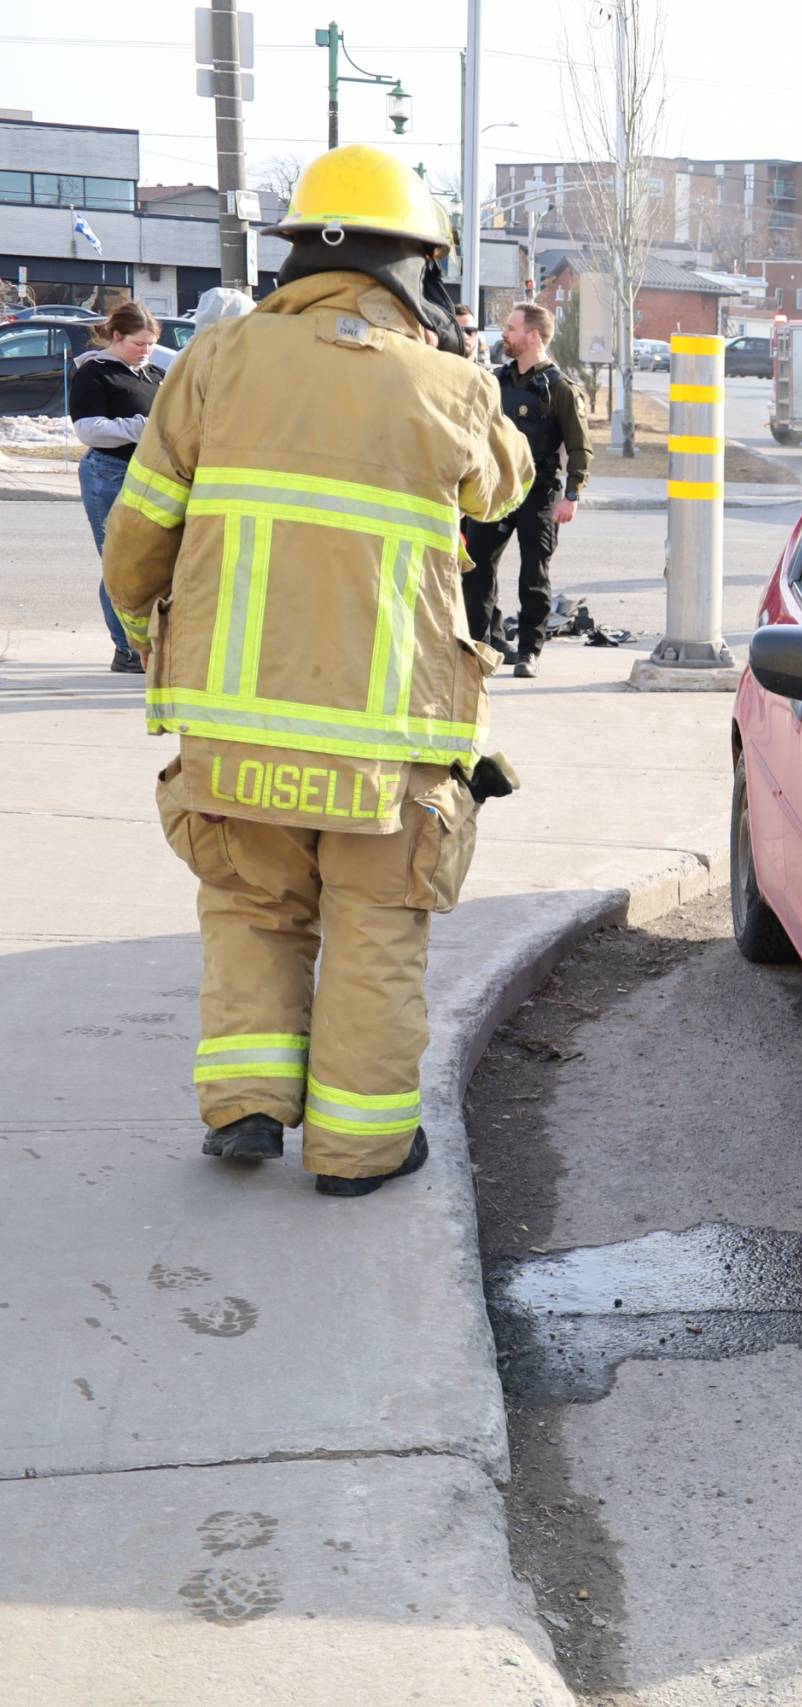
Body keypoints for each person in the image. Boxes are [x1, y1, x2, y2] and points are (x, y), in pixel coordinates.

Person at [101, 143, 535, 1195]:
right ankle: (358, 1150)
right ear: (413, 268)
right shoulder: (452, 385)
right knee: (375, 927)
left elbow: (135, 545)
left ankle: (246, 1106)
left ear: (300, 252)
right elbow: (502, 490)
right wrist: (454, 357)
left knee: (251, 906)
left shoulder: (215, 360)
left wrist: (143, 626)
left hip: (235, 724)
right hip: (385, 738)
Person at [461, 301, 587, 678]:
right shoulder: (495, 381)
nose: (504, 334)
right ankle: (478, 646)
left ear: (533, 336)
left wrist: (572, 495)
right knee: (477, 569)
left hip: (540, 492)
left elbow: (580, 447)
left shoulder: (559, 388)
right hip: (495, 490)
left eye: (512, 328)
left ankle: (530, 651)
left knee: (534, 574)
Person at [69, 302, 162, 673]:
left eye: (152, 344)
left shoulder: (154, 374)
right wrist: (142, 427)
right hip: (108, 472)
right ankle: (125, 649)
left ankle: (143, 645)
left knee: (146, 563)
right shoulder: (95, 373)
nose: (146, 351)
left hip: (149, 474)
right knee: (118, 564)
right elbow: (88, 430)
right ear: (117, 335)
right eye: (139, 344)